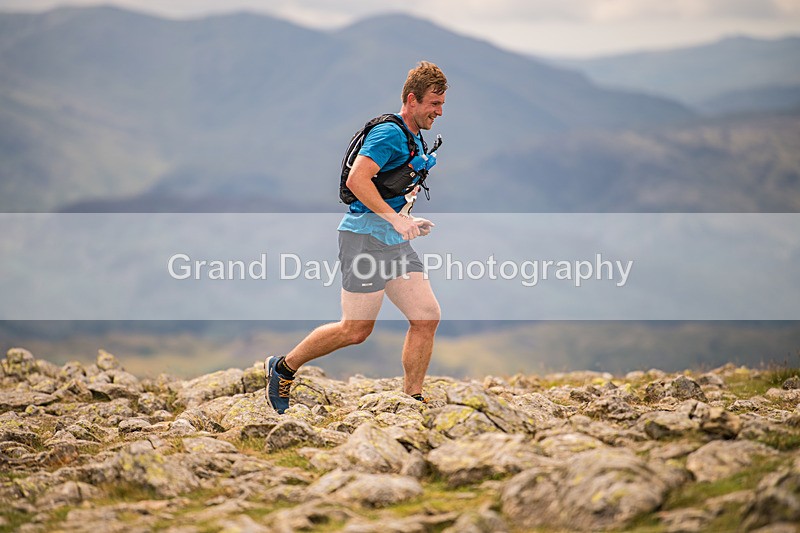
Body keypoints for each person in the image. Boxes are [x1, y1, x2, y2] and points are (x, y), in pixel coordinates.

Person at [265, 61, 448, 414]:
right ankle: (283, 367)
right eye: (433, 104)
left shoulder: (412, 135)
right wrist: (394, 218)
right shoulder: (389, 134)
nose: (439, 112)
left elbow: (388, 188)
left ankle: (413, 398)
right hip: (364, 240)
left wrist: (407, 219)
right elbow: (357, 181)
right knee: (355, 329)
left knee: (426, 317)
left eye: (441, 105)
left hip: (392, 241)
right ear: (412, 100)